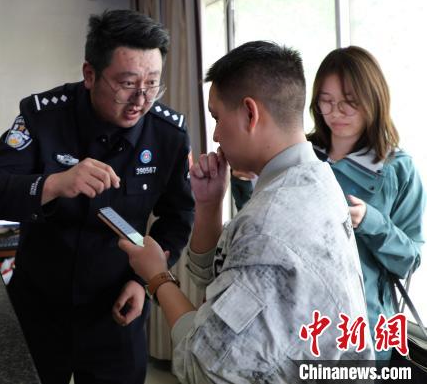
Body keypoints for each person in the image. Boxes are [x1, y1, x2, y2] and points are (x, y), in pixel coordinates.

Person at [119, 41, 374, 383]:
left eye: (217, 118)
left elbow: (203, 369)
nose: (215, 135)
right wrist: (209, 205)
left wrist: (158, 277)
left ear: (250, 114)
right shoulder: (315, 177)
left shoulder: (269, 222)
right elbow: (222, 284)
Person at [0, 9, 195, 383]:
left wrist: (144, 281)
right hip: (39, 307)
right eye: (127, 84)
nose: (140, 100)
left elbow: (178, 218)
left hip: (117, 309)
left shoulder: (167, 134)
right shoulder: (43, 116)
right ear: (90, 74)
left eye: (152, 84)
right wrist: (54, 184)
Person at [307, 46, 425, 361]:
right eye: (327, 101)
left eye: (349, 102)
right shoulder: (302, 155)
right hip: (300, 323)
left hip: (365, 331)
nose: (335, 112)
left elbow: (410, 260)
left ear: (373, 99)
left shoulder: (397, 168)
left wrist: (370, 221)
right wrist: (242, 183)